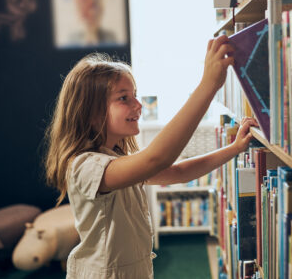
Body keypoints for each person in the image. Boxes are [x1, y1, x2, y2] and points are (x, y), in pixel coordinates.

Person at [44, 34, 258, 278]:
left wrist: (235, 148)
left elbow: (178, 172)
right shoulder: (85, 165)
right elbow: (156, 159)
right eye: (124, 98)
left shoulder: (115, 159)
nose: (138, 104)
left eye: (134, 94)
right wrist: (208, 85)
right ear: (91, 114)